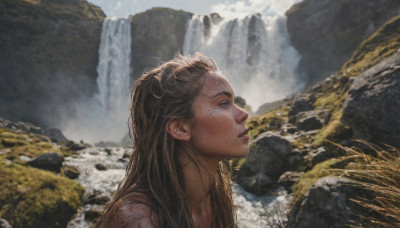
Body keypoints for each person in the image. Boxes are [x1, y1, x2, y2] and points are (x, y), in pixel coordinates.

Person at [96, 53, 249, 228]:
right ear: (180, 128)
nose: (243, 114)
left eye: (234, 102)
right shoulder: (138, 221)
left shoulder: (214, 201)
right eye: (223, 103)